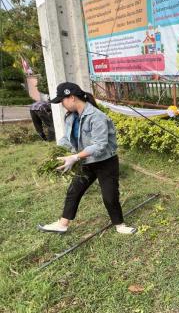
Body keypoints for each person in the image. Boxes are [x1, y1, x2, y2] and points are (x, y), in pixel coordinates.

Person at [38, 82, 136, 234]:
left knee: (109, 196)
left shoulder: (97, 117)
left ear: (71, 97)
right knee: (74, 191)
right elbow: (67, 139)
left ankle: (120, 226)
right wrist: (57, 152)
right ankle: (63, 224)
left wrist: (75, 157)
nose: (62, 105)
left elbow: (100, 145)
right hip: (85, 161)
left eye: (62, 101)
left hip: (105, 162)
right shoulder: (71, 117)